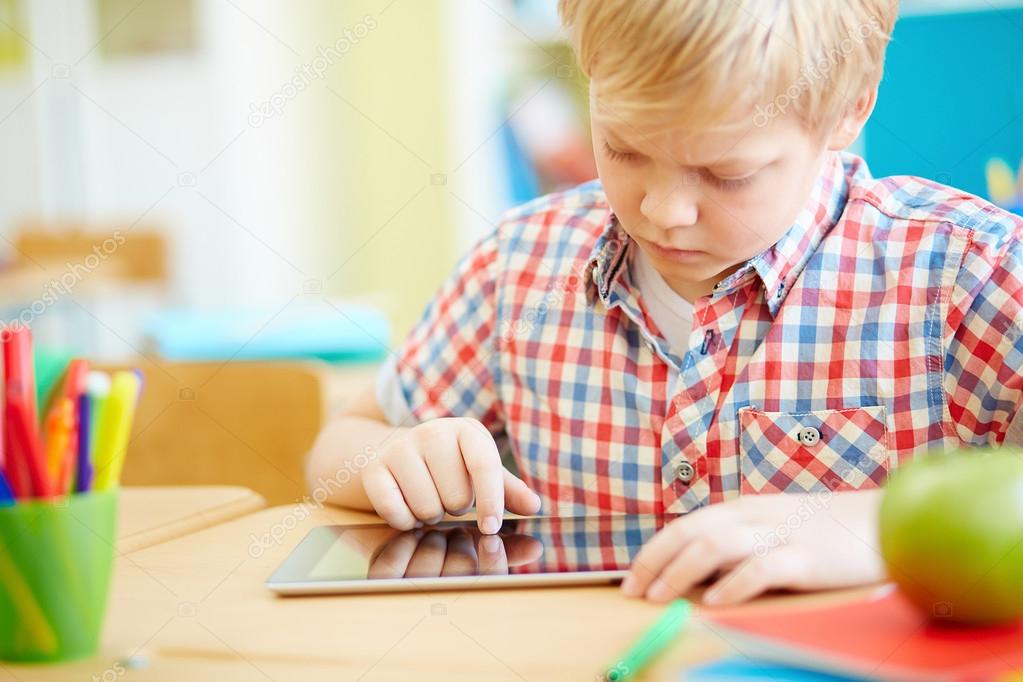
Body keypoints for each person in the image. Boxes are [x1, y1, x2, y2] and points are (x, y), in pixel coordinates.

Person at [306, 0, 1023, 604]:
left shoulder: (965, 273)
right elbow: (335, 448)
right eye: (622, 149)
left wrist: (873, 528)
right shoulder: (517, 267)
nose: (664, 210)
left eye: (726, 173)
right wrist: (389, 456)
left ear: (847, 112)